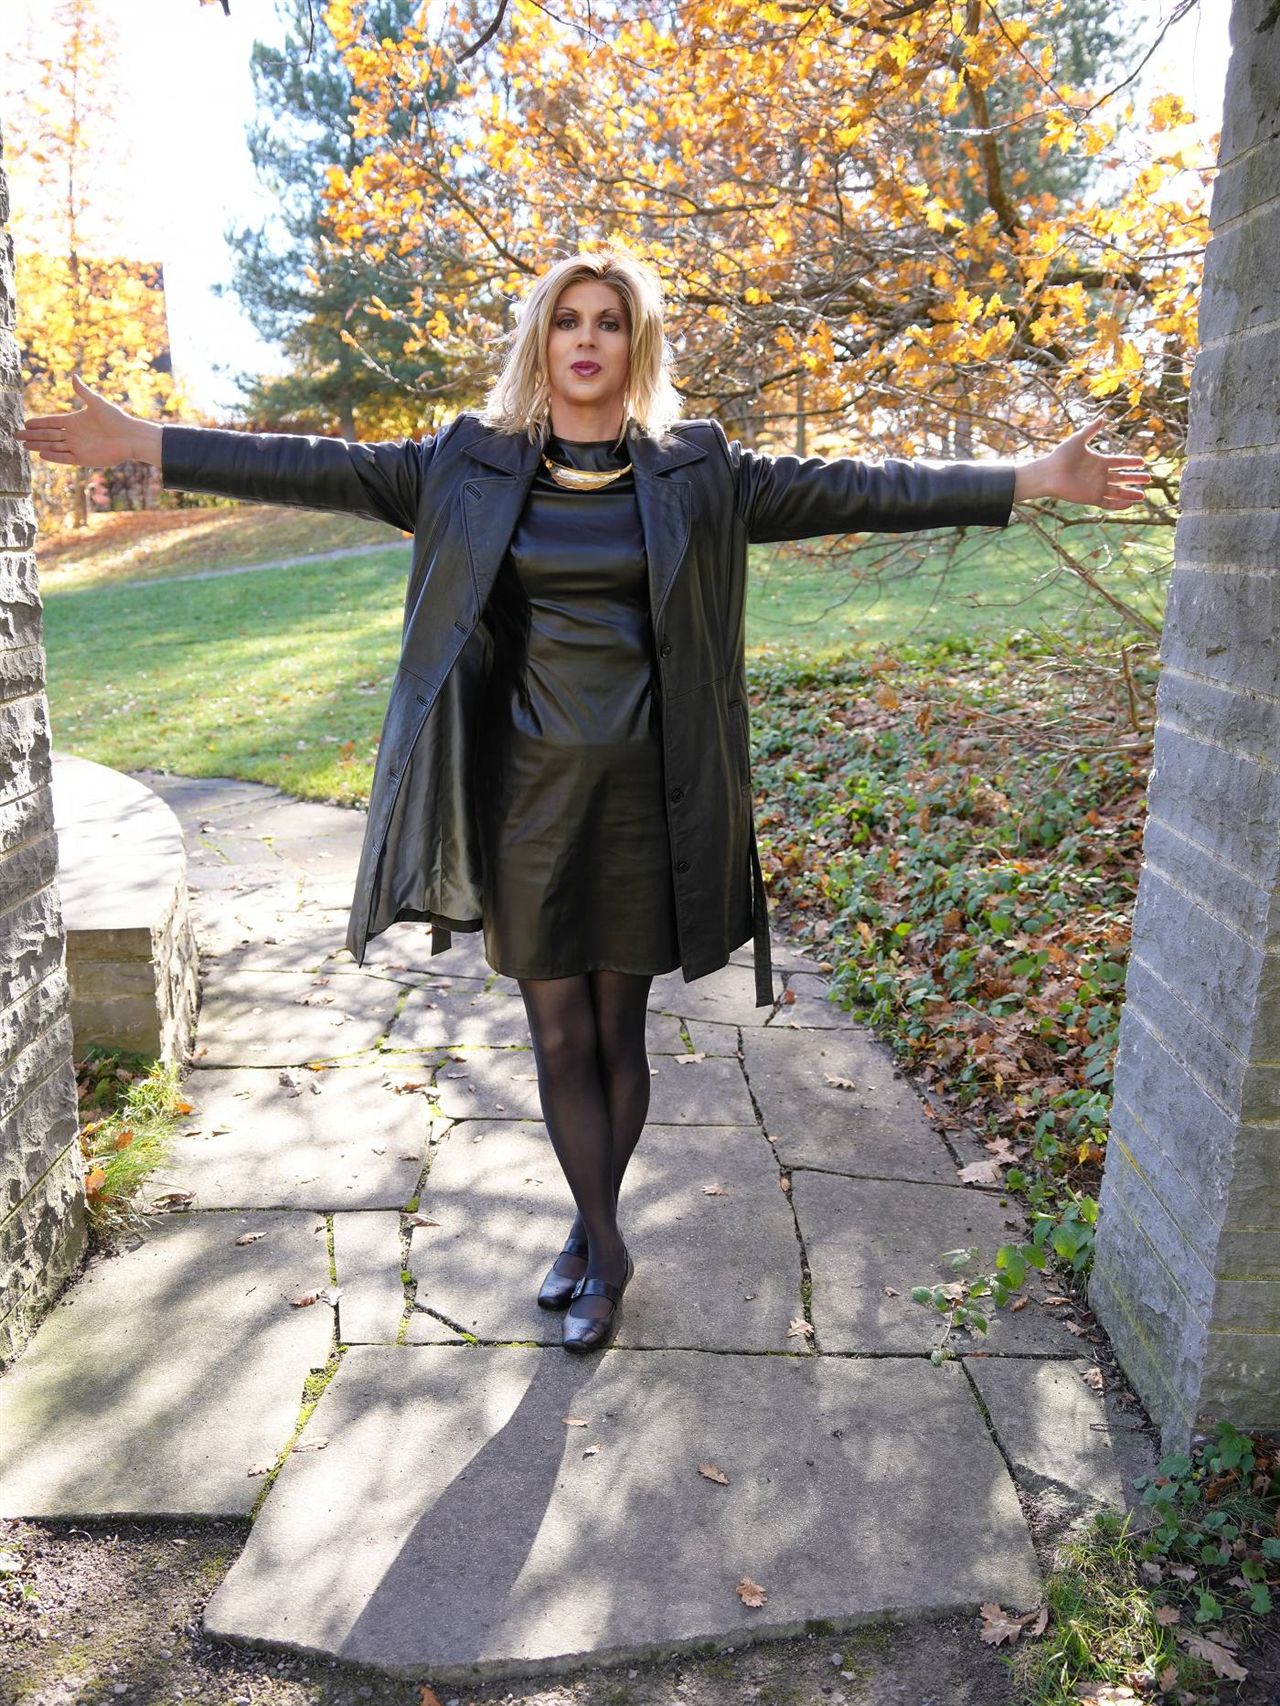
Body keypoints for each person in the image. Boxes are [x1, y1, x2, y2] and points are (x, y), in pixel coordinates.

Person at [18, 248, 1152, 1355]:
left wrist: (1029, 477)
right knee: (557, 1033)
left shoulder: (698, 472)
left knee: (617, 1031)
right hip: (525, 803)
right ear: (541, 341)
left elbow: (865, 485)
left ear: (635, 344)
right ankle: (606, 1245)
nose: (587, 340)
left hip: (652, 799)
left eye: (609, 321)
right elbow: (313, 465)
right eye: (568, 321)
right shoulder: (466, 465)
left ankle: (591, 1239)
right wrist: (148, 443)